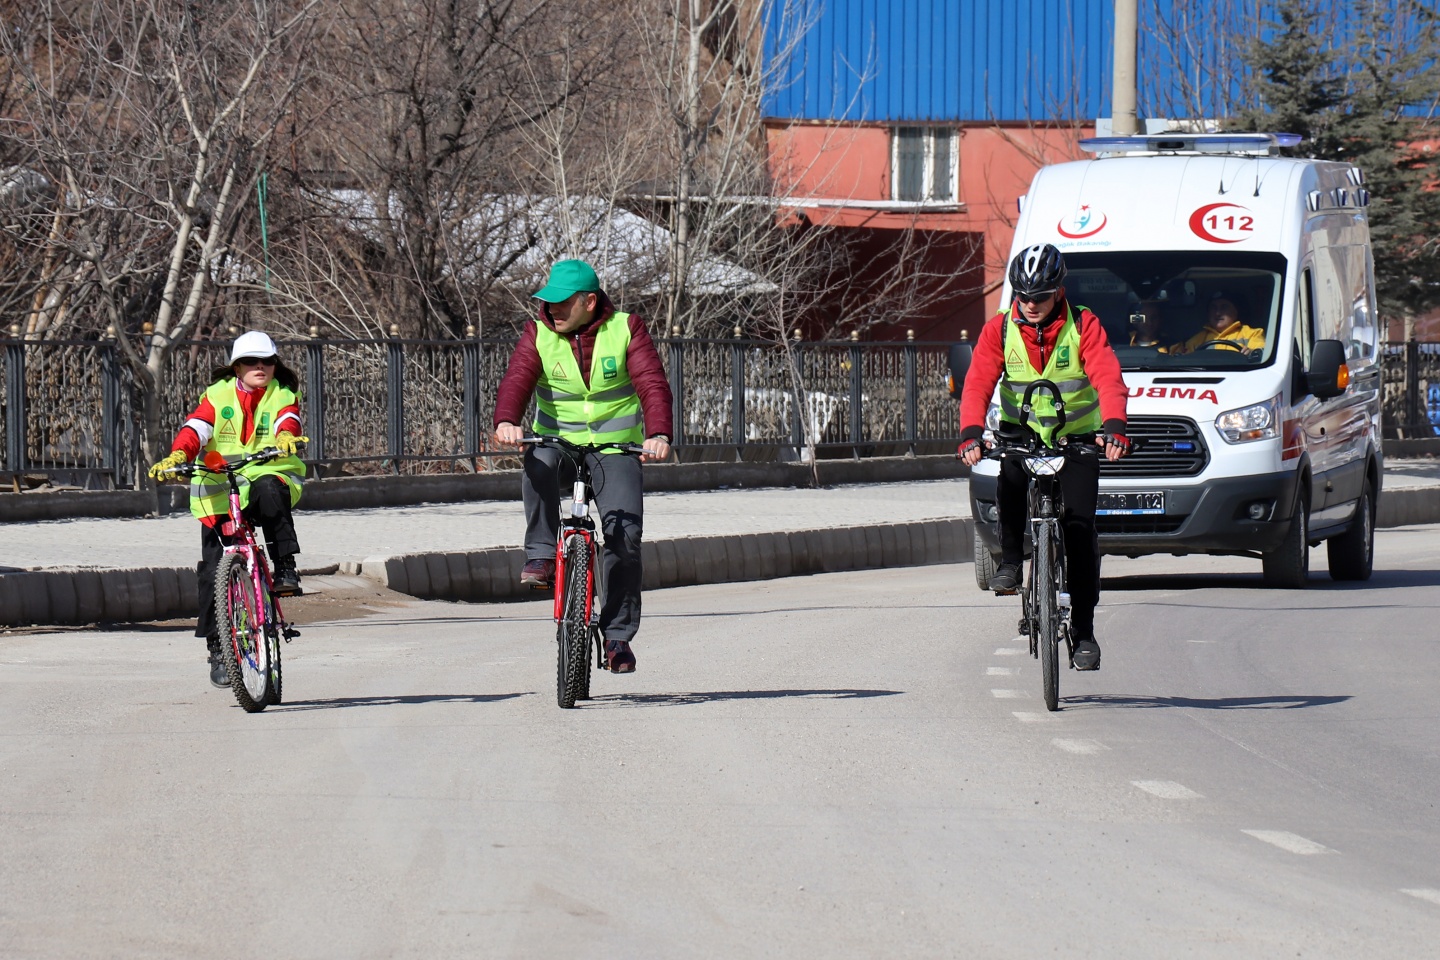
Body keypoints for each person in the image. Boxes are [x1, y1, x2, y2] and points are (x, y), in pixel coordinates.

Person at [493, 259, 674, 674]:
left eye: (562, 302)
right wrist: (506, 421)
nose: (551, 309)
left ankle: (617, 637)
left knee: (625, 538)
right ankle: (541, 555)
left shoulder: (626, 328)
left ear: (589, 302)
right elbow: (517, 379)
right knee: (537, 463)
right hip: (558, 446)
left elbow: (652, 383)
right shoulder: (538, 333)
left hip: (615, 451)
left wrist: (659, 434)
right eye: (548, 301)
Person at [957, 244, 1131, 671]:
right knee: (1010, 481)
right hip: (1023, 434)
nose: (1030, 304)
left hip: (1077, 438)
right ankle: (1011, 562)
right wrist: (970, 433)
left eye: (1040, 296)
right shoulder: (1000, 329)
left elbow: (1107, 376)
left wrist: (1114, 426)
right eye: (1023, 295)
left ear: (1059, 291)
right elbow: (978, 381)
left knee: (1080, 530)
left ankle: (1084, 633)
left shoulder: (1083, 324)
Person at [147, 330, 308, 688]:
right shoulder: (217, 395)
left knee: (270, 490)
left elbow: (287, 418)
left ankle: (285, 567)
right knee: (211, 573)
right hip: (220, 488)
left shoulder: (282, 393)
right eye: (251, 361)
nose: (260, 367)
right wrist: (178, 454)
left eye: (267, 361)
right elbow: (196, 429)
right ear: (236, 367)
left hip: (265, 475)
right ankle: (219, 649)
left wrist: (286, 436)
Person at [1172, 290, 1265, 355]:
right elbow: (1183, 361)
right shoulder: (1196, 340)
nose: (1218, 313)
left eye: (1224, 307)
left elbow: (1261, 353)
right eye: (1213, 307)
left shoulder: (1252, 334)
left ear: (1236, 311)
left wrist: (1252, 352)